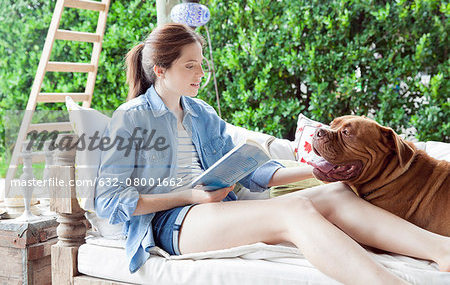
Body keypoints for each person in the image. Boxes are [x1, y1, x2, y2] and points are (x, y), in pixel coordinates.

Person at [94, 23, 450, 285]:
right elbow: (109, 202)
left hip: (216, 210)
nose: (201, 73)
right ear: (160, 70)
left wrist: (316, 168)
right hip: (172, 223)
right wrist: (190, 195)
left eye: (202, 64)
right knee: (294, 210)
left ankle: (442, 251)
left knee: (337, 194)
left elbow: (251, 171)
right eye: (190, 66)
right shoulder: (132, 117)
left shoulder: (200, 112)